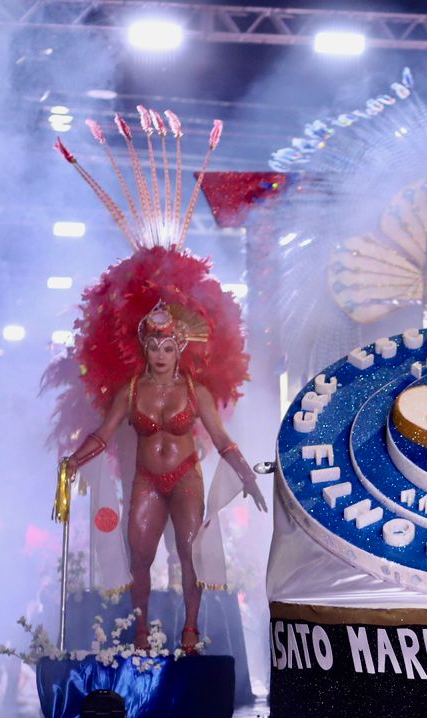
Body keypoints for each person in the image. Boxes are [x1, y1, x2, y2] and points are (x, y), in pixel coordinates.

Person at [51, 114, 266, 653]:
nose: (162, 354)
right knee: (140, 558)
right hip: (147, 478)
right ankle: (141, 630)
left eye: (170, 346)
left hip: (186, 477)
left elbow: (221, 439)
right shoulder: (131, 390)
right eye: (155, 345)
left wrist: (246, 475)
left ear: (181, 348)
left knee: (188, 556)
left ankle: (190, 630)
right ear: (143, 346)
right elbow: (104, 434)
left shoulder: (195, 390)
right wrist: (74, 460)